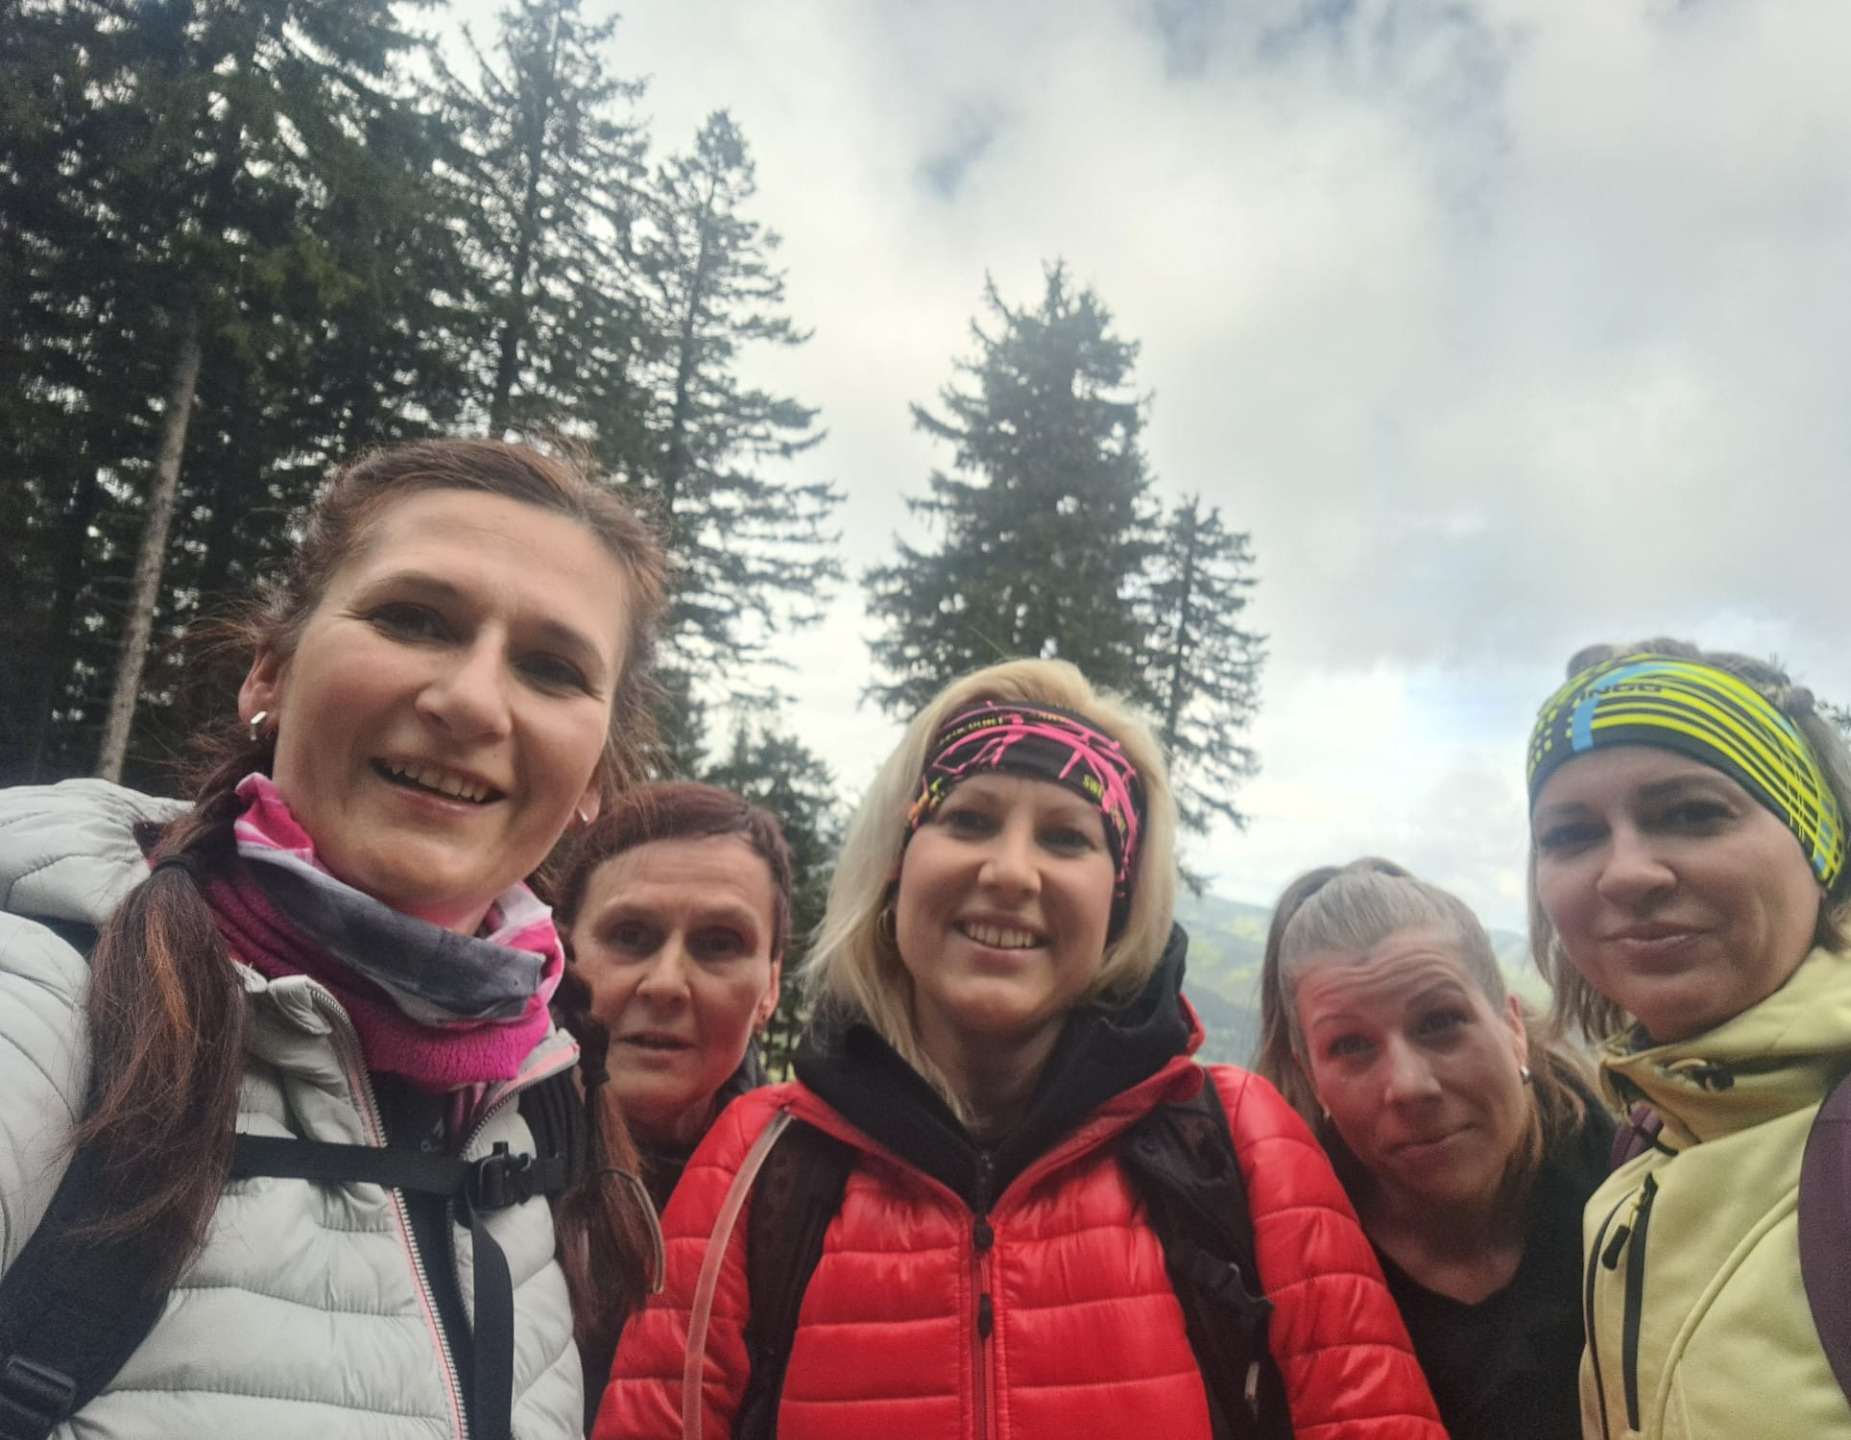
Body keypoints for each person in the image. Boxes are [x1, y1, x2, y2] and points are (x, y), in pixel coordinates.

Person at [0, 439, 668, 1440]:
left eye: (551, 668)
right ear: (269, 672)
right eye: (411, 619)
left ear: (595, 781)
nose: (471, 702)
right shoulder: (47, 999)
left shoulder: (541, 1108)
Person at [594, 658, 1445, 1440]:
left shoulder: (1239, 1144)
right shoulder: (757, 1161)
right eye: (968, 819)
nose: (1010, 872)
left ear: (1117, 902)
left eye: (1067, 837)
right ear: (896, 867)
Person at [1525, 639, 1851, 1440]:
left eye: (1692, 813)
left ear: (1821, 841)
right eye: (1570, 834)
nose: (1625, 873)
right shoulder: (1638, 1165)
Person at [1257, 857, 1613, 1440]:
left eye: (1440, 1022)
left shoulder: (1639, 1194)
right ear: (1311, 1077)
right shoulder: (1276, 1277)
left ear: (1511, 1026)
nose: (1408, 1086)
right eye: (1351, 1046)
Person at [557, 781, 791, 1208]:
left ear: (770, 987)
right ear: (560, 954)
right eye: (629, 935)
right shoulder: (457, 1160)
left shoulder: (819, 1204)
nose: (665, 985)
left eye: (719, 944)